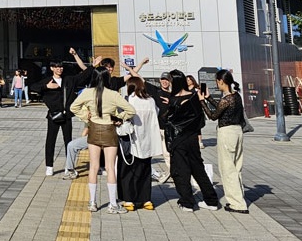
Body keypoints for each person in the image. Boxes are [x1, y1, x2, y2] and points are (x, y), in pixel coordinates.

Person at [70, 69, 136, 214]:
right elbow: (131, 110)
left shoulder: (87, 92)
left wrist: (85, 116)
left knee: (93, 167)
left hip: (93, 129)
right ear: (107, 79)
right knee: (110, 167)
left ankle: (92, 202)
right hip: (109, 130)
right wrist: (119, 117)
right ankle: (113, 204)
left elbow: (73, 107)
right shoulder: (113, 94)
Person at [35, 48, 96, 177]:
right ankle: (49, 166)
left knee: (68, 141)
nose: (59, 69)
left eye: (61, 67)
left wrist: (88, 62)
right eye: (56, 67)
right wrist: (47, 87)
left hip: (66, 116)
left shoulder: (69, 80)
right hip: (53, 115)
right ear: (51, 68)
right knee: (50, 140)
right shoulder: (47, 81)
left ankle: (69, 167)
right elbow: (33, 87)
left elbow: (84, 75)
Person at [164, 70, 220, 212]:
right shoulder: (194, 97)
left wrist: (170, 106)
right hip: (192, 138)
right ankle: (212, 200)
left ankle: (187, 202)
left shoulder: (173, 100)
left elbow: (168, 121)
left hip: (178, 140)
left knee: (181, 171)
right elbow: (200, 120)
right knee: (198, 169)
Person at [199, 70, 249, 214]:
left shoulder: (226, 99)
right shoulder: (235, 96)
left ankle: (237, 203)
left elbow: (213, 116)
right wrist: (208, 98)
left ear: (221, 81)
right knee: (236, 167)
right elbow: (222, 108)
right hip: (238, 132)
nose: (216, 83)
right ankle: (239, 198)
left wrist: (202, 101)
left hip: (227, 133)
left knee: (228, 169)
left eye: (216, 81)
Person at [117, 77, 161, 211]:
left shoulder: (129, 100)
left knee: (129, 171)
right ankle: (146, 199)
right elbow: (157, 114)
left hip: (132, 141)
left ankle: (130, 200)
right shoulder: (151, 101)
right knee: (145, 170)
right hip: (149, 141)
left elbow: (121, 116)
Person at [186, 75, 205, 148]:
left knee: (198, 127)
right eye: (186, 80)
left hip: (196, 110)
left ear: (192, 80)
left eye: (188, 80)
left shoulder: (197, 89)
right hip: (188, 111)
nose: (187, 81)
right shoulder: (186, 89)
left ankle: (200, 142)